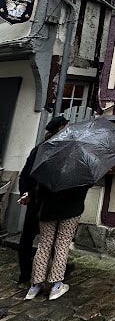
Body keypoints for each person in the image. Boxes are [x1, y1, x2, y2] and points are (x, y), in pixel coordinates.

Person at [17, 115, 69, 285]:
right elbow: (26, 175)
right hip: (45, 201)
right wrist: (26, 192)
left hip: (36, 200)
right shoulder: (49, 151)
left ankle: (30, 274)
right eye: (65, 126)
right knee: (50, 240)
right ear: (60, 127)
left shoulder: (39, 149)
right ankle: (43, 275)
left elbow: (24, 176)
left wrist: (25, 192)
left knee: (38, 240)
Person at [25, 177, 90, 301]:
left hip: (48, 209)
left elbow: (40, 189)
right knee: (62, 245)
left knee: (44, 245)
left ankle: (35, 286)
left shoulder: (51, 165)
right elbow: (87, 185)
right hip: (71, 210)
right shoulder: (81, 167)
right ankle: (56, 285)